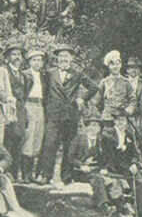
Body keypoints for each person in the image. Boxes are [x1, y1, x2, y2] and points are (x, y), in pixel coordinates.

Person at [37, 44, 97, 184]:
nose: (64, 58)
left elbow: (94, 87)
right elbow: (44, 93)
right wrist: (47, 109)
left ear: (71, 58)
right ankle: (46, 175)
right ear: (57, 58)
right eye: (61, 55)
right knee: (49, 144)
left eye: (67, 55)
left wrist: (82, 98)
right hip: (53, 115)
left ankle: (66, 177)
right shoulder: (49, 73)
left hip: (71, 115)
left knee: (69, 147)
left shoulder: (77, 73)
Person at [96, 111, 142, 217]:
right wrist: (104, 167)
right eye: (119, 120)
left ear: (127, 122)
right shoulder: (107, 134)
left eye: (124, 121)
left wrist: (134, 163)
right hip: (112, 166)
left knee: (139, 182)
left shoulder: (129, 135)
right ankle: (119, 214)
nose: (121, 123)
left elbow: (136, 153)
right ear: (115, 122)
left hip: (126, 166)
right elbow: (102, 153)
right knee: (113, 186)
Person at [15, 47, 48, 182]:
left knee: (37, 139)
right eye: (34, 60)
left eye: (39, 60)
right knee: (28, 138)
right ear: (29, 62)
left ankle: (32, 174)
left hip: (40, 106)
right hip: (28, 105)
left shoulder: (44, 76)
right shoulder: (24, 74)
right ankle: (25, 175)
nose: (37, 63)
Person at [2, 44, 29, 179]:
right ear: (7, 57)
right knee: (8, 142)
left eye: (19, 55)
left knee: (19, 141)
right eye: (14, 54)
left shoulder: (24, 75)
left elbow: (25, 94)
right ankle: (6, 173)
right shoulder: (4, 71)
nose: (17, 57)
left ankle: (14, 173)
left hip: (21, 111)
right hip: (8, 110)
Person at [93, 50, 133, 127]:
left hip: (121, 116)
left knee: (123, 136)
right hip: (107, 118)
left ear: (121, 65)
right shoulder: (104, 82)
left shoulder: (126, 82)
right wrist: (104, 111)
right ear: (108, 66)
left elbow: (133, 99)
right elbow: (96, 101)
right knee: (107, 136)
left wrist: (129, 109)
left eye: (118, 64)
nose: (115, 67)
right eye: (112, 64)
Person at [124, 55, 142, 152]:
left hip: (139, 117)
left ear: (139, 70)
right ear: (127, 70)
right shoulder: (122, 82)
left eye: (136, 68)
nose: (133, 70)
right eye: (131, 68)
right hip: (124, 116)